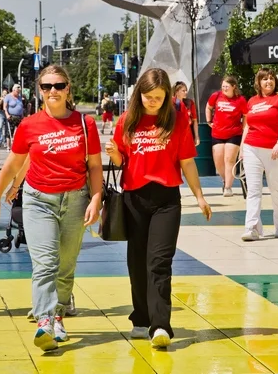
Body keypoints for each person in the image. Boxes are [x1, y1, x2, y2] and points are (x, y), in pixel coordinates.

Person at [0, 65, 102, 352]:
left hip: (76, 199)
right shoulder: (29, 125)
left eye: (59, 85)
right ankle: (45, 321)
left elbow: (95, 166)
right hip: (39, 201)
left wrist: (96, 199)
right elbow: (13, 163)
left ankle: (59, 315)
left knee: (66, 265)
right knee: (46, 263)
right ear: (39, 91)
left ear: (68, 89)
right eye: (47, 86)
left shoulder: (84, 124)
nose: (53, 91)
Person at [105, 68, 212, 349]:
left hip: (166, 199)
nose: (152, 102)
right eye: (147, 96)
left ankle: (161, 325)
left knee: (159, 263)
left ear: (167, 98)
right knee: (137, 263)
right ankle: (140, 318)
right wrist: (115, 154)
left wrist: (199, 196)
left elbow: (188, 161)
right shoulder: (127, 120)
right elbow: (121, 162)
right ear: (138, 93)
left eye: (158, 98)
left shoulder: (177, 121)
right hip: (134, 199)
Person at [239, 68, 278, 241]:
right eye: (264, 79)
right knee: (253, 190)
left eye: (271, 79)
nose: (268, 82)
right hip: (251, 148)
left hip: (275, 150)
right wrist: (242, 147)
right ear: (259, 83)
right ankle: (252, 228)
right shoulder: (252, 101)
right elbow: (247, 126)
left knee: (275, 188)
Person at [205, 76, 247, 197]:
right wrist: (209, 121)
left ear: (234, 87)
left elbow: (246, 115)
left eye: (227, 86)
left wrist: (244, 128)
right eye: (223, 86)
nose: (224, 88)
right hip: (217, 133)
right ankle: (225, 180)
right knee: (218, 161)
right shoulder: (216, 96)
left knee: (229, 160)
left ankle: (228, 187)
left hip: (234, 133)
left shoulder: (240, 100)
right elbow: (208, 107)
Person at [172, 81, 200, 146]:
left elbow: (194, 120)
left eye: (186, 90)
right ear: (176, 91)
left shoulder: (190, 103)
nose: (186, 92)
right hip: (175, 133)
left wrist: (196, 136)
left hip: (188, 133)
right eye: (183, 91)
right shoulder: (171, 103)